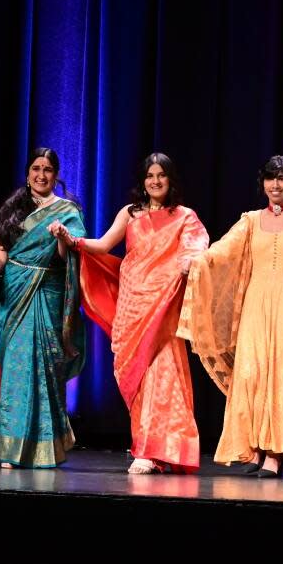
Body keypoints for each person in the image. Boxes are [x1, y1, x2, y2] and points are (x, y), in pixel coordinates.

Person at [180, 155, 283, 478]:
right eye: (271, 178)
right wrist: (200, 260)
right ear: (263, 184)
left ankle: (275, 453)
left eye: (282, 178)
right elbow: (224, 249)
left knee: (282, 372)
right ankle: (253, 447)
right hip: (256, 303)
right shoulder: (251, 220)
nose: (276, 185)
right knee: (251, 373)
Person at [67, 152, 208, 474]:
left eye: (161, 175)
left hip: (164, 303)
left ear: (170, 179)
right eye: (149, 176)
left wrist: (190, 260)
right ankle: (147, 449)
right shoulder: (130, 215)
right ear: (143, 182)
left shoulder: (184, 216)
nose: (155, 181)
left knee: (165, 373)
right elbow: (103, 246)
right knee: (140, 378)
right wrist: (72, 240)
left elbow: (196, 245)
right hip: (133, 305)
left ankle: (166, 448)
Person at [0, 148, 85, 468]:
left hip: (46, 294)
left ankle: (45, 448)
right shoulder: (13, 210)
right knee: (15, 373)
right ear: (27, 174)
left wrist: (63, 238)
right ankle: (10, 449)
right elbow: (0, 258)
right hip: (13, 296)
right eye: (36, 168)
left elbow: (69, 260)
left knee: (45, 371)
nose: (41, 175)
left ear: (56, 175)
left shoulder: (67, 212)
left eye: (48, 169)